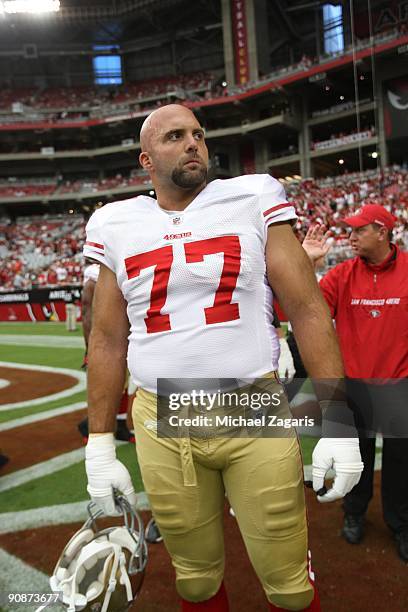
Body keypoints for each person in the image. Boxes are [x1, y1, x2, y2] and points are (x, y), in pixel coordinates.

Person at [83, 104, 363, 611]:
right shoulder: (115, 221)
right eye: (175, 136)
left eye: (198, 134)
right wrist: (99, 445)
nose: (193, 143)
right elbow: (106, 339)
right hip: (162, 418)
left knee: (290, 585)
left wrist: (339, 422)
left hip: (250, 407)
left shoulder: (252, 196)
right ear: (146, 160)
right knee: (194, 578)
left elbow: (306, 308)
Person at [302, 207, 408, 562]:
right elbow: (303, 311)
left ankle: (401, 523)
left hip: (400, 385)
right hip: (357, 385)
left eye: (359, 229)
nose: (350, 235)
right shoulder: (343, 274)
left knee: (402, 462)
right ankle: (354, 511)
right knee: (355, 459)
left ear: (382, 231)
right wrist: (309, 267)